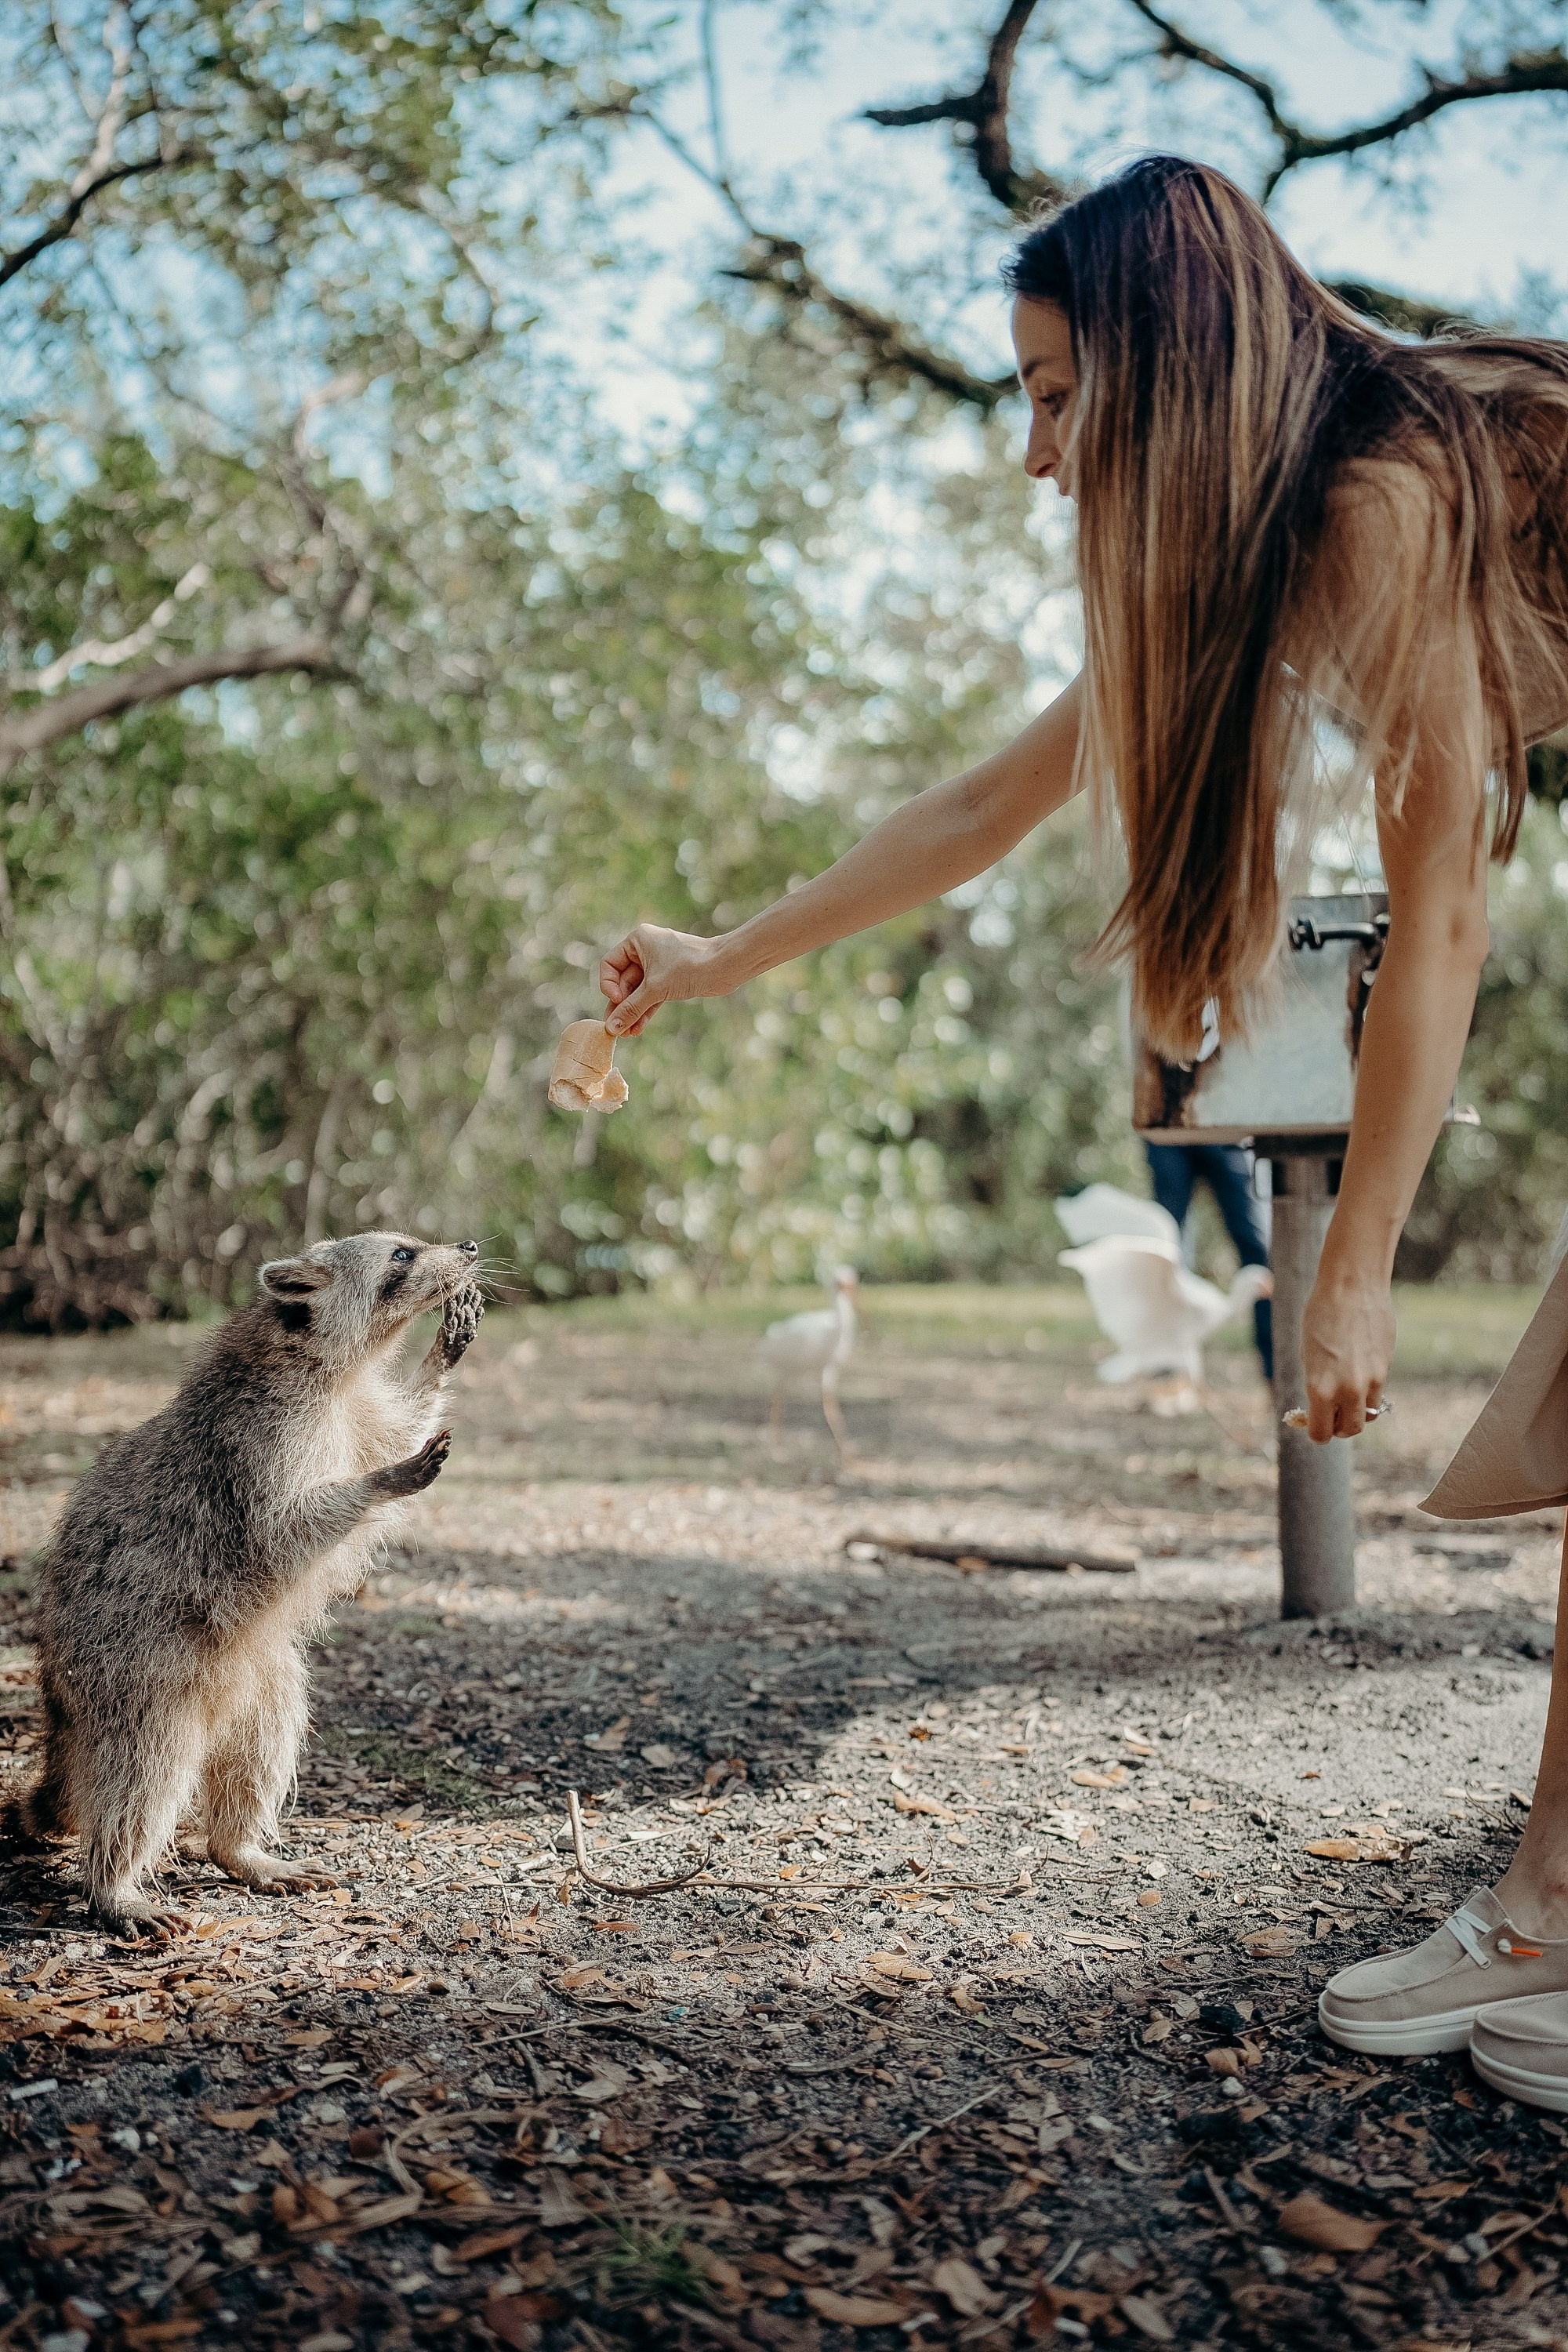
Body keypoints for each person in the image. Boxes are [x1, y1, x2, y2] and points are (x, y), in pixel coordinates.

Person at [596, 156, 1568, 2096]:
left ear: (1172, 366)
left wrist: (1353, 1271)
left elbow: (1442, 901)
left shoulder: (1379, 499)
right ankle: (1543, 1911)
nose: (1034, 453)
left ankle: (1544, 1914)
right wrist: (713, 958)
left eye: (1055, 392)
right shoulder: (1260, 539)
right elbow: (980, 808)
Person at [1143, 1139, 1272, 1380]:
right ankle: (1168, 1372)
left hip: (1230, 1134)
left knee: (1257, 1247)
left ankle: (1277, 1369)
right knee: (1164, 1249)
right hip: (1170, 1131)